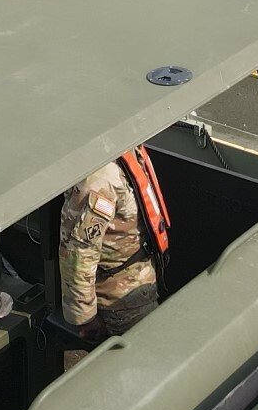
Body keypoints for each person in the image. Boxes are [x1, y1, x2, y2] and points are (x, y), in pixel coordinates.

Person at [56, 147, 171, 365]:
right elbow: (79, 253)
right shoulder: (101, 180)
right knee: (141, 363)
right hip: (122, 300)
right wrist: (85, 317)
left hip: (142, 277)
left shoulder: (125, 151)